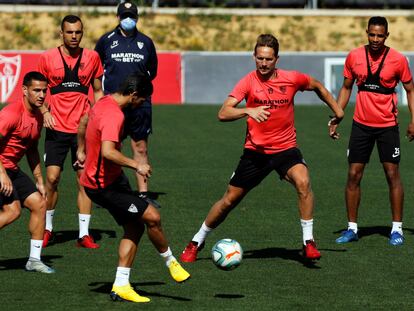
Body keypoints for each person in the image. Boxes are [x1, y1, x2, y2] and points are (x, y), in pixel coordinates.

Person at [180, 34, 344, 263]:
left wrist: (338, 112)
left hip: (286, 149)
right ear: (254, 57)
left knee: (303, 181)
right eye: (259, 58)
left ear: (277, 59)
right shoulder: (248, 82)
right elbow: (223, 112)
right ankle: (196, 241)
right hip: (255, 153)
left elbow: (317, 86)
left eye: (268, 59)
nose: (263, 63)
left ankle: (308, 242)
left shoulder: (292, 79)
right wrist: (248, 111)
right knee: (229, 200)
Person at [77, 72, 190, 303]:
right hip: (102, 186)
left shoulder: (102, 102)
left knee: (135, 227)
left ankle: (121, 285)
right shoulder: (114, 115)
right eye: (142, 100)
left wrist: (81, 149)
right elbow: (108, 152)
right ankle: (171, 262)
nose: (141, 105)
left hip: (111, 179)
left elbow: (84, 121)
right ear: (133, 95)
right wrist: (136, 165)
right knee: (152, 217)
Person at [331, 16, 414, 246]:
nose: (375, 39)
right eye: (372, 34)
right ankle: (352, 229)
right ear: (366, 32)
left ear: (386, 35)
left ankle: (396, 229)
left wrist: (413, 120)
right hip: (361, 126)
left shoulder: (397, 60)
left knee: (392, 176)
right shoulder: (354, 57)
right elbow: (346, 88)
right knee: (353, 175)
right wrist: (337, 116)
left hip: (388, 126)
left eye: (380, 35)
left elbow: (410, 90)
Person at [38, 15, 104, 248]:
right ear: (61, 33)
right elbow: (37, 91)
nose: (74, 36)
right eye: (70, 32)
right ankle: (47, 229)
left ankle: (83, 234)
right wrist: (45, 111)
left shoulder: (92, 57)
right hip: (56, 129)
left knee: (84, 181)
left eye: (78, 32)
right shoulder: (47, 58)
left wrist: (98, 117)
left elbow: (98, 91)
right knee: (52, 179)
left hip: (82, 131)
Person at [95, 1, 159, 208]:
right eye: (124, 16)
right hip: (114, 105)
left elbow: (153, 71)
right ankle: (104, 189)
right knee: (109, 146)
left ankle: (142, 194)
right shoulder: (106, 41)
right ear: (118, 18)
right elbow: (96, 69)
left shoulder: (146, 42)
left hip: (140, 105)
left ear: (137, 18)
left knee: (140, 146)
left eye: (131, 15)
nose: (128, 19)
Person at [0, 71, 54, 273]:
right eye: (36, 90)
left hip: (11, 169)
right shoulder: (11, 113)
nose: (41, 95)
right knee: (12, 211)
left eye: (44, 91)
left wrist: (39, 179)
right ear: (24, 90)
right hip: (1, 169)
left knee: (40, 203)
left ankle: (34, 260)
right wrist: (2, 174)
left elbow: (31, 148)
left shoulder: (38, 115)